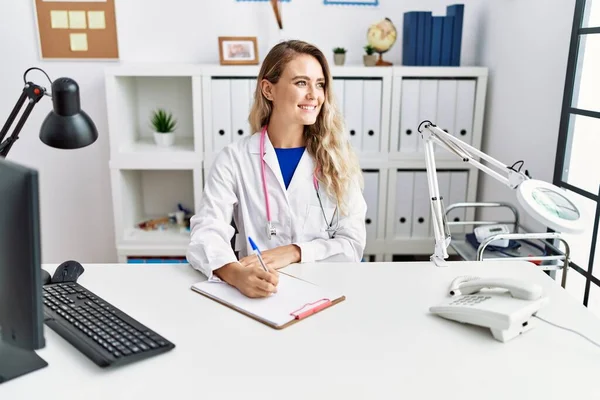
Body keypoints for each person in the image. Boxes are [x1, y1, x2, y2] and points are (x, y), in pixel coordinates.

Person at [186, 40, 367, 298]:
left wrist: (296, 251)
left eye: (320, 84)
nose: (314, 95)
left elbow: (352, 244)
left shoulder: (336, 160)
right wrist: (236, 275)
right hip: (256, 294)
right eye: (301, 83)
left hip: (322, 294)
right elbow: (206, 231)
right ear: (268, 90)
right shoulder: (234, 159)